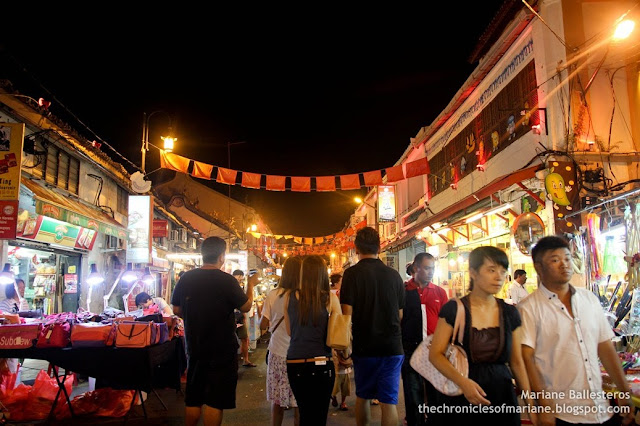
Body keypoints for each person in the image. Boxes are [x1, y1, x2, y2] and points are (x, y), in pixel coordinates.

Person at [518, 236, 634, 426]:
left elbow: (605, 349)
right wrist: (543, 407)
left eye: (567, 258)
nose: (564, 265)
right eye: (555, 260)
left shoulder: (589, 299)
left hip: (601, 409)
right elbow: (527, 361)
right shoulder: (528, 309)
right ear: (539, 267)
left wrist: (624, 391)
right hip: (563, 414)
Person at [429, 246, 533, 425]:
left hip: (502, 395)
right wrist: (463, 382)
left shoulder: (510, 313)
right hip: (462, 396)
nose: (499, 276)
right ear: (473, 273)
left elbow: (516, 362)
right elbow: (435, 354)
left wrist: (531, 403)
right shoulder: (454, 309)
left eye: (502, 271)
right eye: (491, 270)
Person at [171, 236, 257, 426]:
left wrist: (195, 315)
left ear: (202, 255)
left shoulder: (186, 278)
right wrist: (251, 285)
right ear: (221, 256)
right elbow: (245, 307)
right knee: (215, 400)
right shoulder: (227, 281)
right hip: (222, 350)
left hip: (195, 347)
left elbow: (176, 309)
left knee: (194, 398)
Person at [340, 227, 405, 426]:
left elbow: (346, 315)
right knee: (389, 402)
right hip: (392, 347)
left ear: (356, 248)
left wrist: (345, 349)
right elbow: (400, 314)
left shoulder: (351, 274)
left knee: (363, 397)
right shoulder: (394, 275)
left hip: (364, 347)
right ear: (379, 246)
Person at [284, 255, 337, 425]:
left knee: (304, 413)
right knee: (320, 416)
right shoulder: (330, 298)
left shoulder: (289, 297)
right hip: (322, 361)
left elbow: (290, 332)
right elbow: (336, 333)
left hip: (295, 361)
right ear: (323, 274)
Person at [401, 252, 448, 425]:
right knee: (413, 396)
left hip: (434, 351)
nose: (430, 272)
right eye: (427, 268)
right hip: (411, 351)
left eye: (433, 269)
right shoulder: (404, 291)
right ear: (416, 268)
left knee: (436, 396)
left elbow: (446, 322)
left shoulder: (439, 292)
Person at [260, 256, 302, 426]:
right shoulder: (304, 295)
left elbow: (263, 324)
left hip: (277, 353)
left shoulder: (273, 294)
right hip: (299, 354)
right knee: (299, 402)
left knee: (277, 402)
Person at [233, 269, 256, 367]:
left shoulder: (241, 287)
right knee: (232, 340)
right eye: (239, 276)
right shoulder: (230, 286)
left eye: (241, 276)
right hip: (231, 318)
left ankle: (246, 360)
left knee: (244, 338)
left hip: (240, 317)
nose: (240, 278)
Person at [331, 346, 353, 411]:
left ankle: (343, 403)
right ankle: (334, 397)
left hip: (346, 371)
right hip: (336, 372)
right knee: (334, 389)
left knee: (345, 389)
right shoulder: (333, 349)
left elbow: (350, 356)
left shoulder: (347, 348)